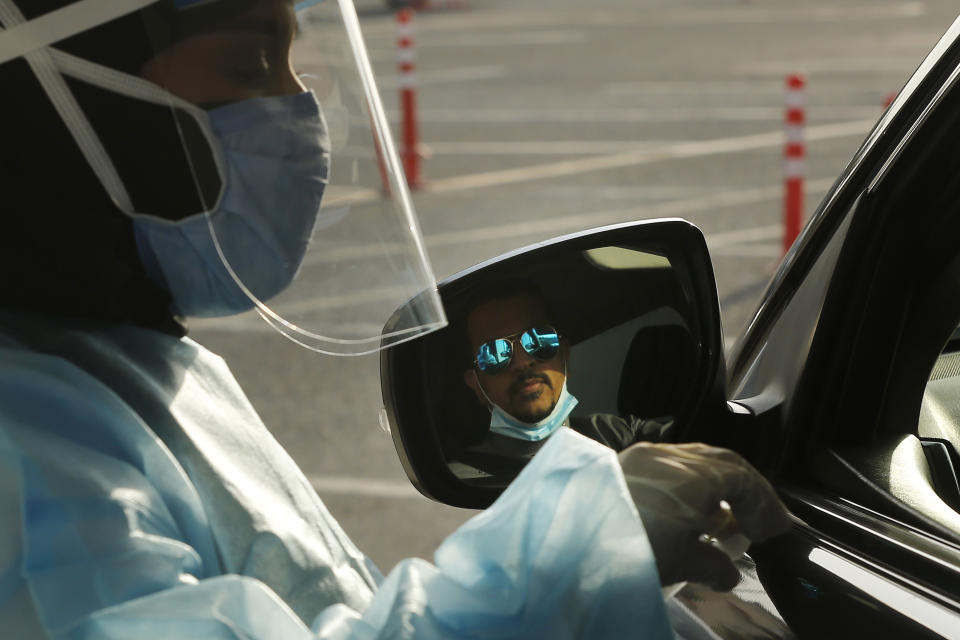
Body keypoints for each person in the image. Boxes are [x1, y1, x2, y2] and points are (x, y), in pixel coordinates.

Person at [0, 0, 792, 638]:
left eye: (292, 61)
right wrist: (570, 559)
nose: (296, 109)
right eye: (249, 64)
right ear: (60, 103)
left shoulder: (119, 363)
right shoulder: (21, 440)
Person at [460, 283, 672, 459]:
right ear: (476, 384)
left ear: (565, 357)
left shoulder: (617, 435)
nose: (522, 362)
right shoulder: (465, 475)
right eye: (494, 353)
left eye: (539, 339)